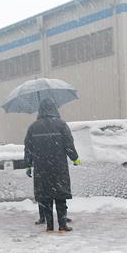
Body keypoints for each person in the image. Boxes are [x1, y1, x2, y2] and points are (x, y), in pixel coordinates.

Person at [24, 98, 80, 233]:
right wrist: (75, 158)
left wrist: (28, 165)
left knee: (45, 197)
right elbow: (69, 144)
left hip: (41, 168)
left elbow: (28, 148)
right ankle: (62, 225)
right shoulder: (61, 125)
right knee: (60, 197)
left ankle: (49, 226)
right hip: (58, 167)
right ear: (54, 109)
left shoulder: (33, 127)